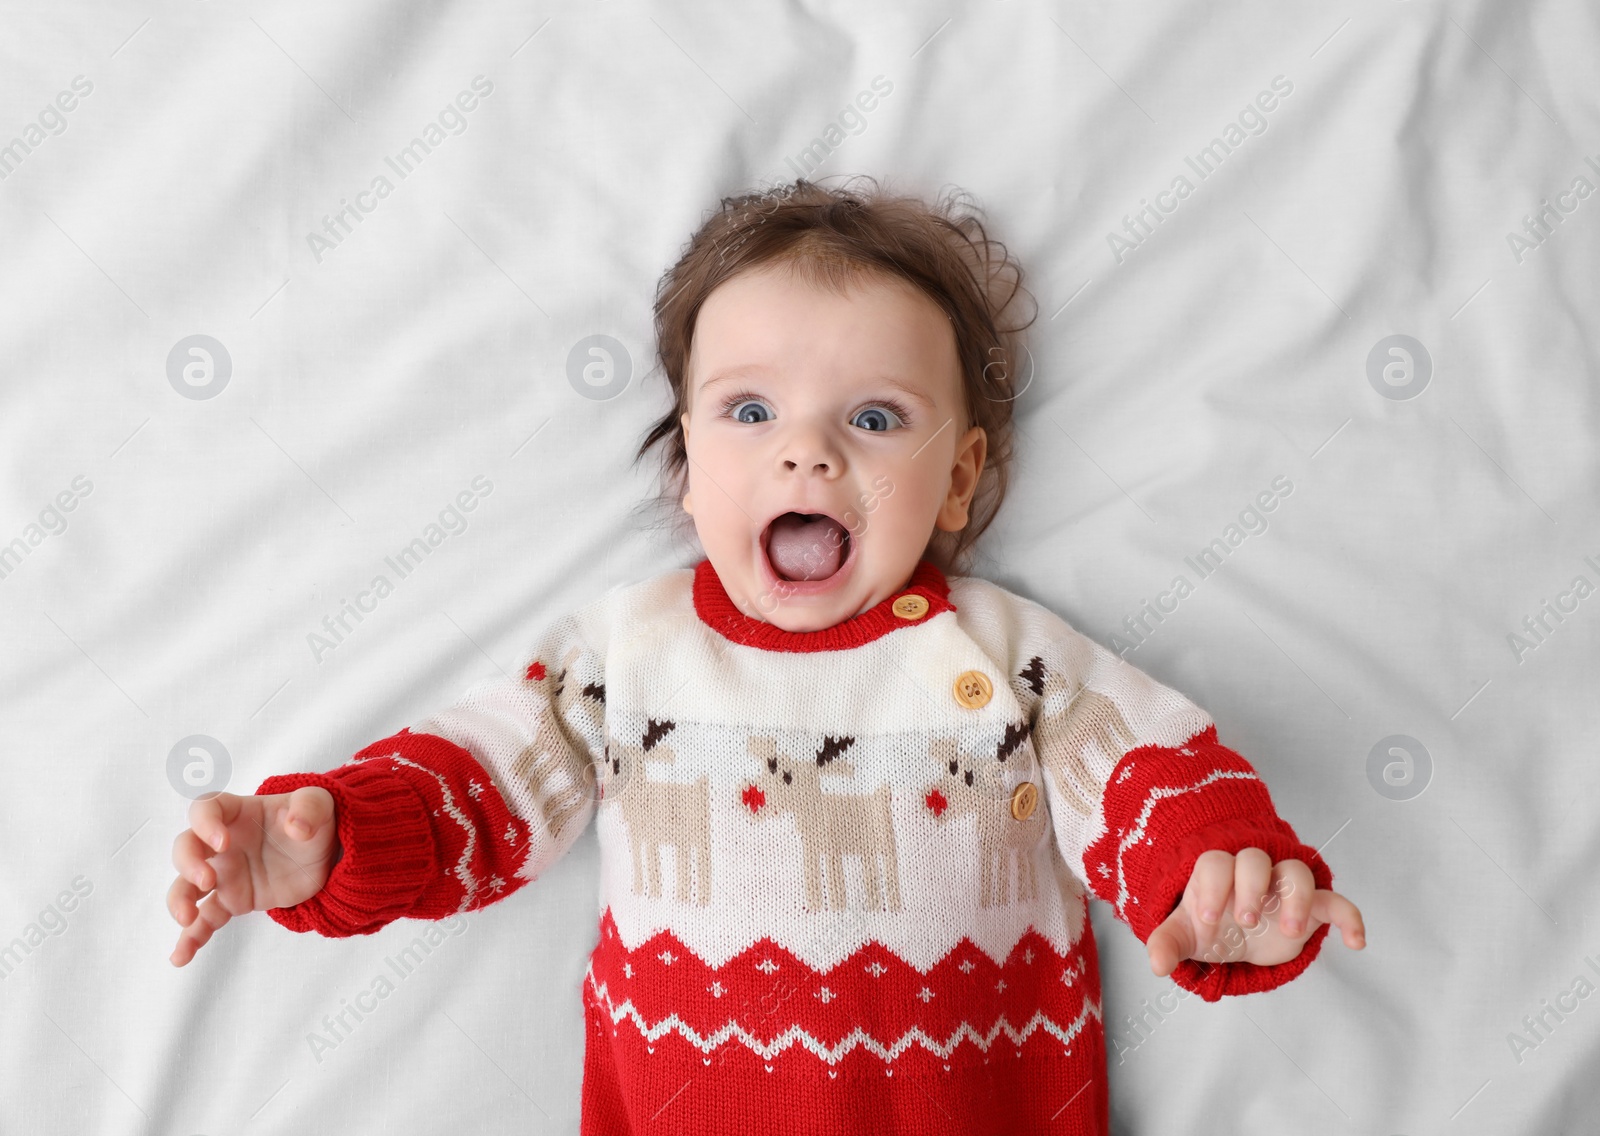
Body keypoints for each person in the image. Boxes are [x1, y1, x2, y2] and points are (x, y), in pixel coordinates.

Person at [167, 176, 1365, 1135]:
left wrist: (1223, 873)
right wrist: (332, 837)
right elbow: (479, 789)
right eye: (750, 412)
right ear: (687, 469)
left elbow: (1146, 771)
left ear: (956, 480)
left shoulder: (1004, 657)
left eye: (874, 416)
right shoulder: (626, 652)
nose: (807, 453)